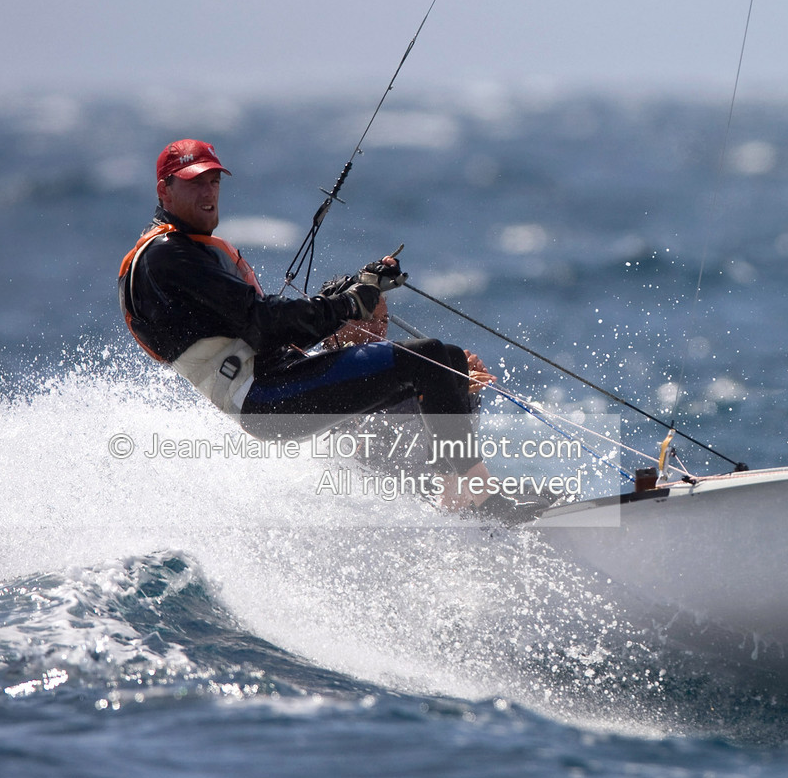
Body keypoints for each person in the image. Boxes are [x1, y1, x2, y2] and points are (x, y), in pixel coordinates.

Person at [118, 138, 511, 513]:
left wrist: (356, 290)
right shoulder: (168, 258)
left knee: (450, 363)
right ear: (164, 191)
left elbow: (266, 325)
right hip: (264, 398)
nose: (208, 193)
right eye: (194, 183)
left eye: (213, 181)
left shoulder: (187, 252)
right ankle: (482, 504)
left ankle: (457, 501)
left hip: (280, 379)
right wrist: (347, 304)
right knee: (428, 361)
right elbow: (266, 325)